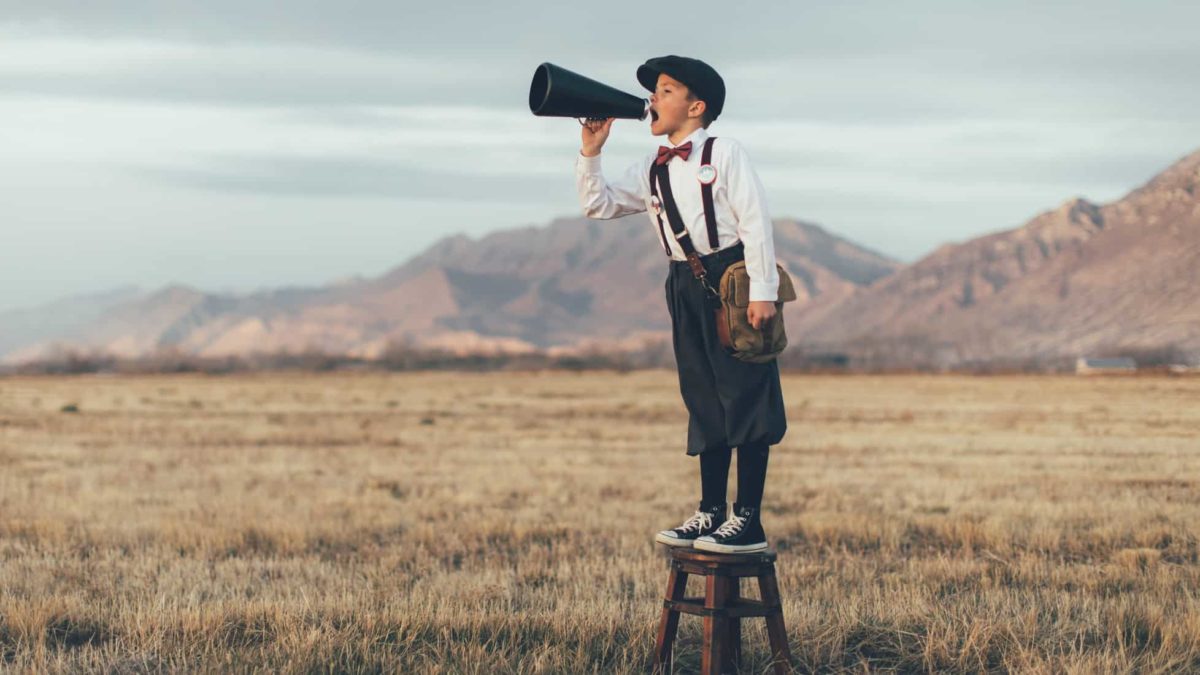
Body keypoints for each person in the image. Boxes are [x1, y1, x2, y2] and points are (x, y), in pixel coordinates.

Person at [574, 55, 787, 553]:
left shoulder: (724, 150)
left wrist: (763, 293)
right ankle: (711, 512)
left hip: (732, 278)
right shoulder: (651, 165)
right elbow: (597, 204)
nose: (653, 98)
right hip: (684, 285)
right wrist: (590, 152)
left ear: (696, 106)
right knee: (704, 396)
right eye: (655, 91)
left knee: (746, 395)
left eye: (665, 90)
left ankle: (747, 520)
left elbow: (755, 220)